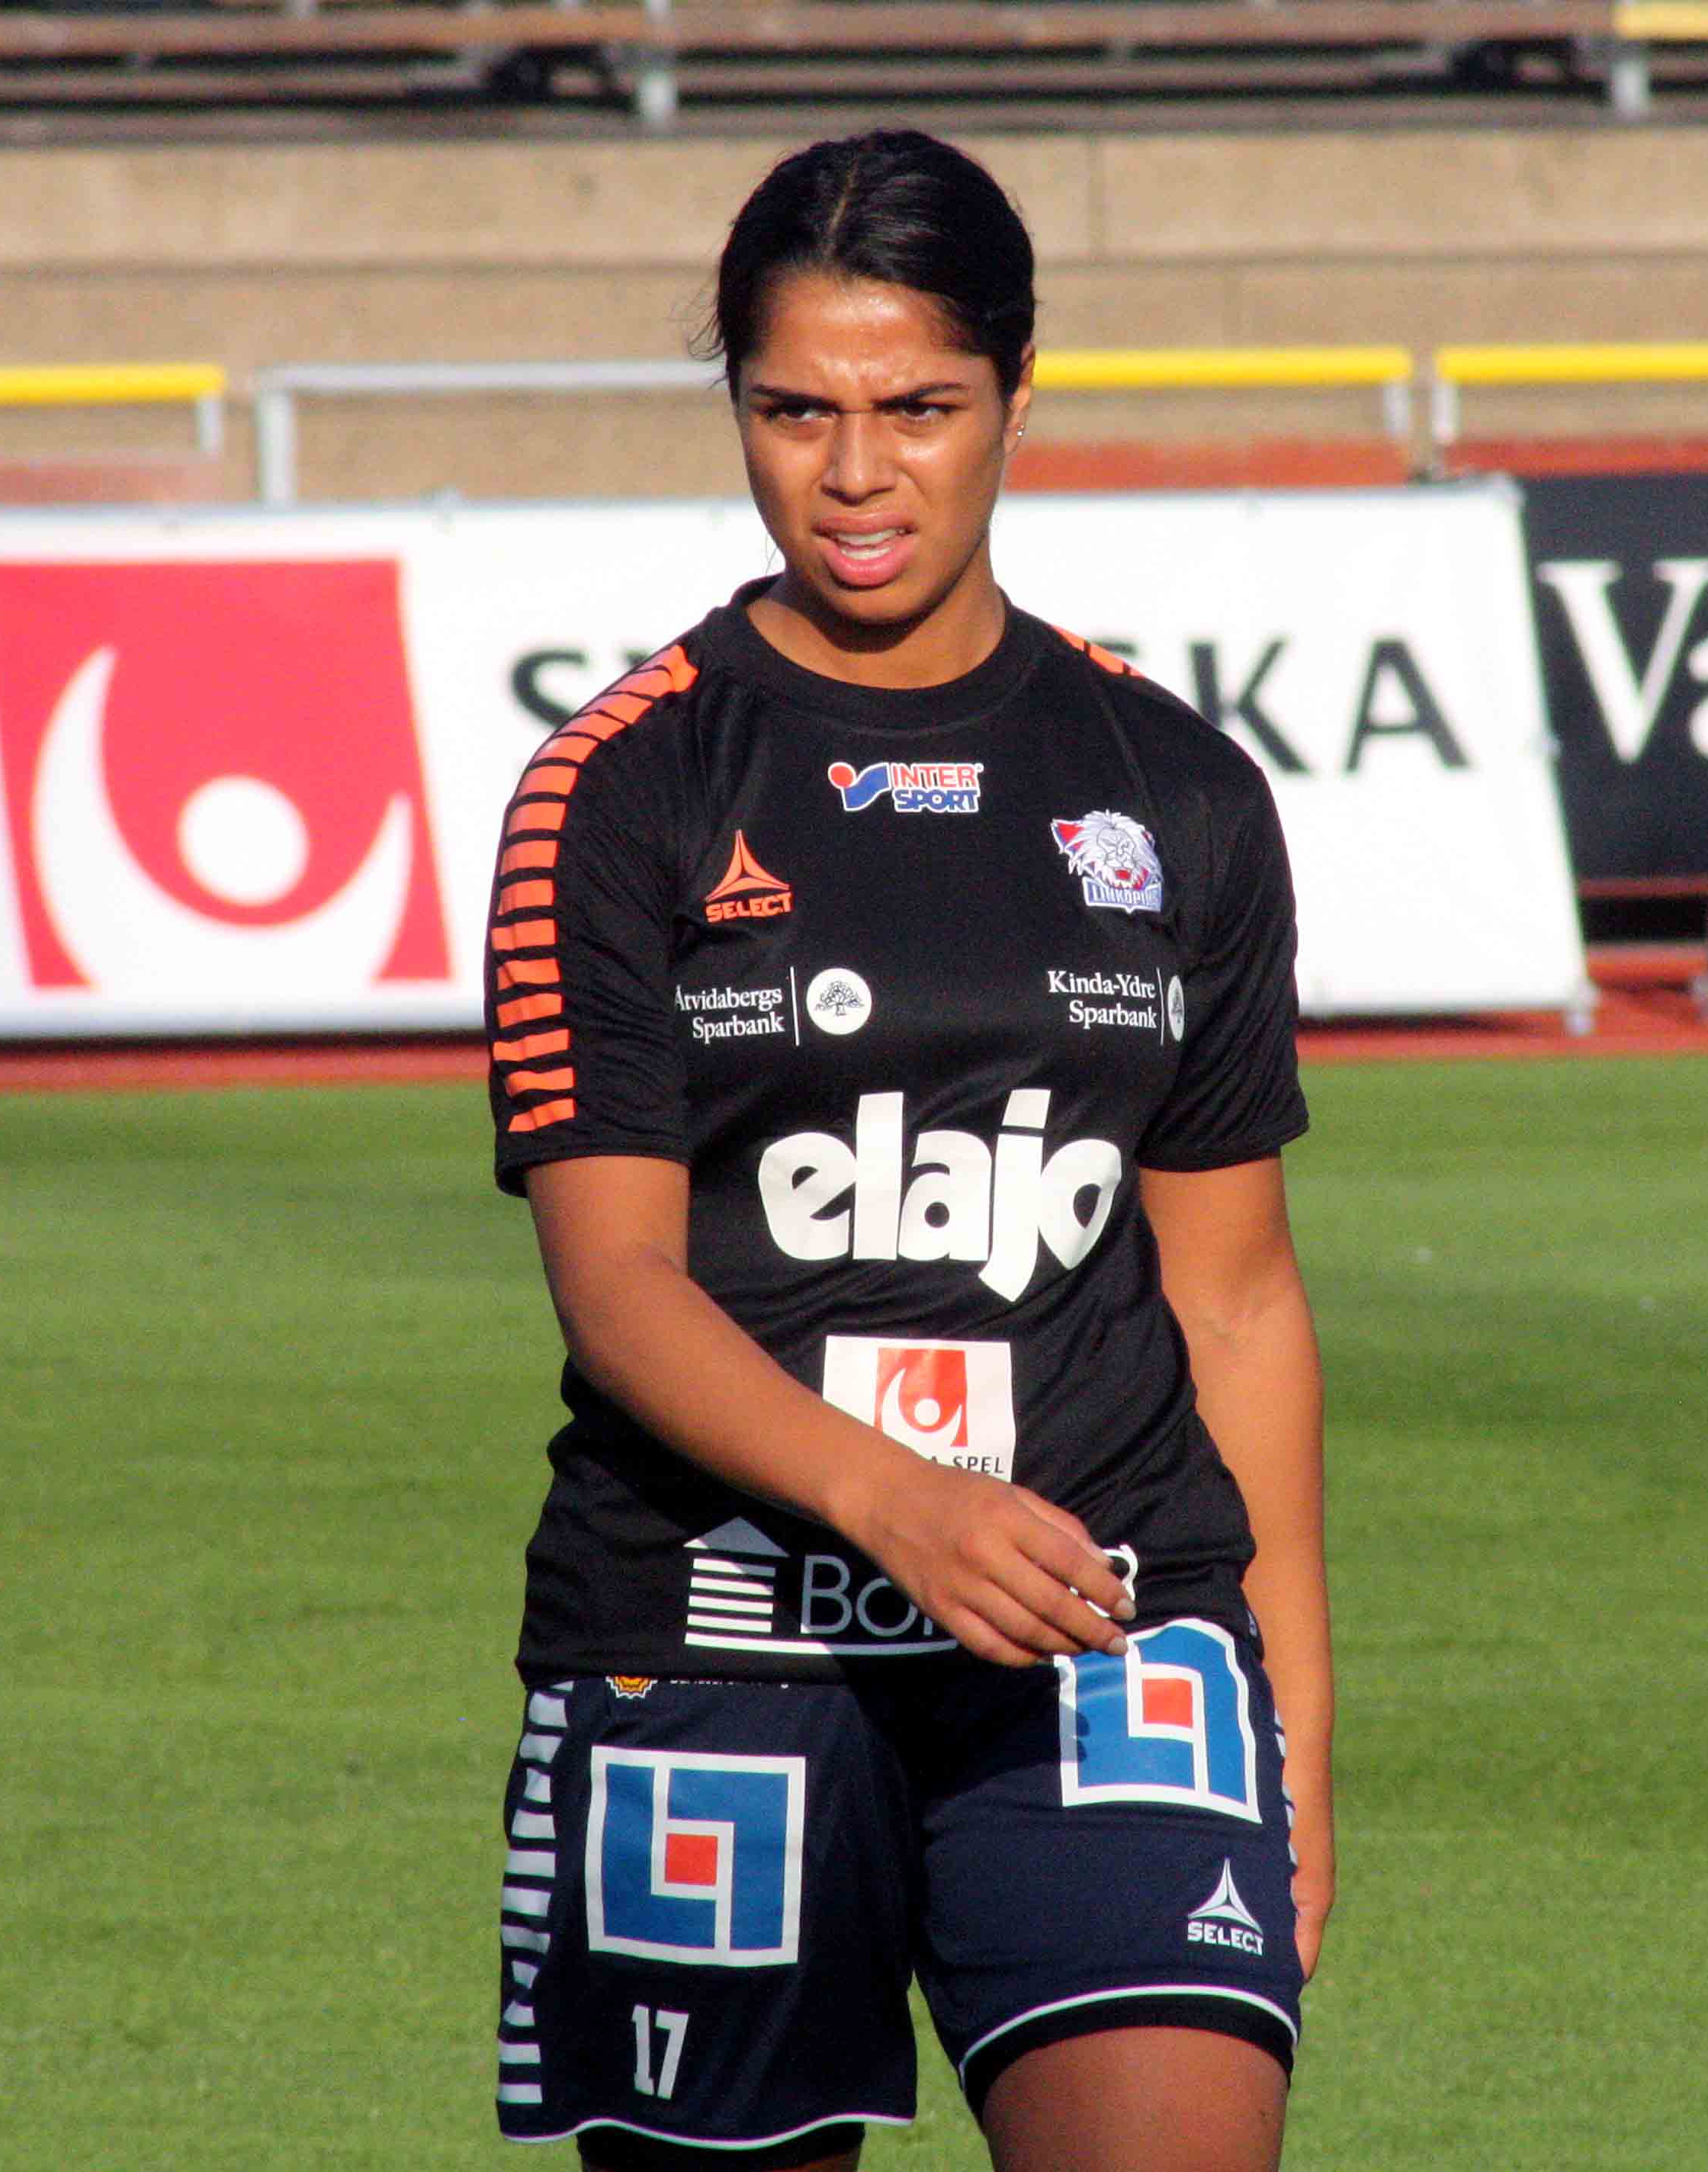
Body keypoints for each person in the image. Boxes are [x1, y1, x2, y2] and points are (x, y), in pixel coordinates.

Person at [482, 127, 1332, 2172]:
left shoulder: (1175, 787)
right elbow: (617, 1287)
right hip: (712, 1641)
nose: (856, 476)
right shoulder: (621, 788)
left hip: (1110, 1631)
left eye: (919, 410)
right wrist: (901, 1506)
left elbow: (1234, 1296)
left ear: (1018, 394)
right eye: (798, 412)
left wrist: (1298, 1728)